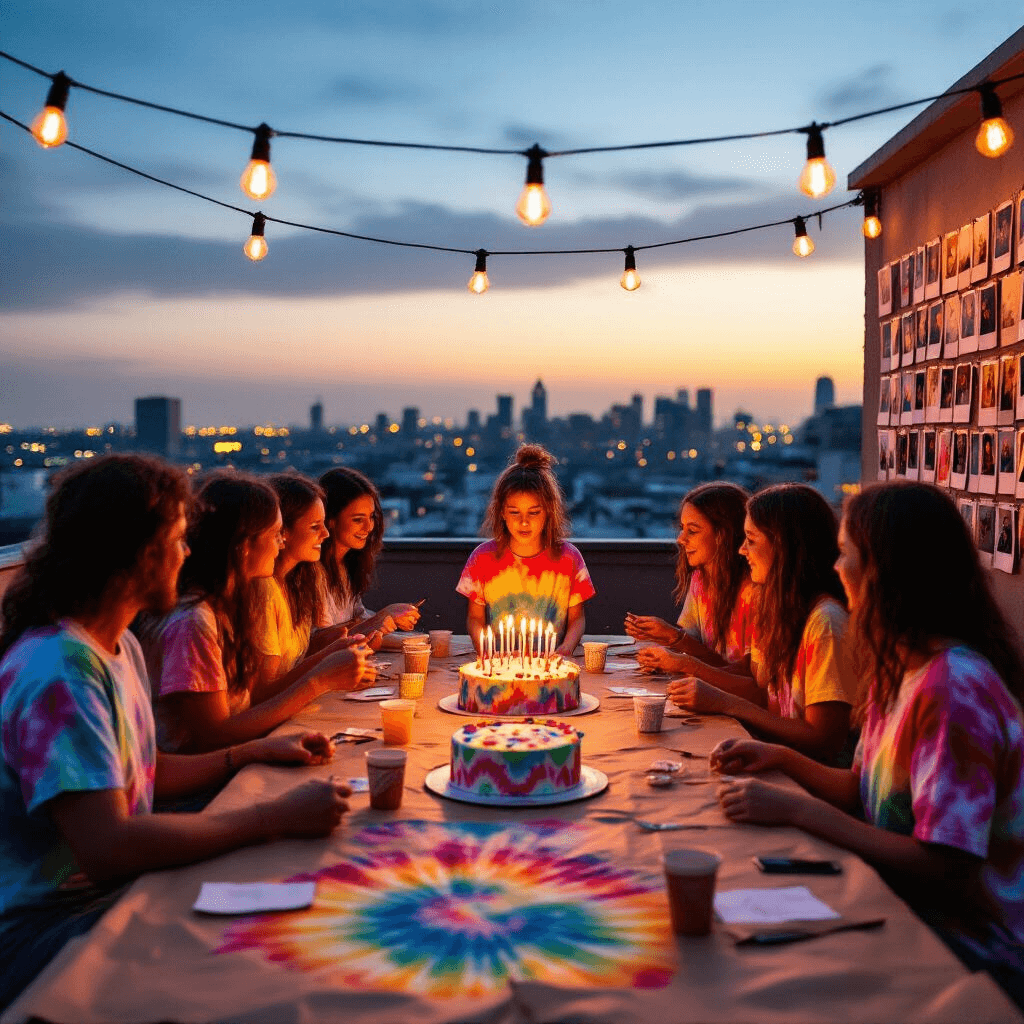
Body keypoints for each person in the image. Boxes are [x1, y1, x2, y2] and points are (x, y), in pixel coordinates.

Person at [0, 455, 351, 1012]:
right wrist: (272, 817)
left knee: (311, 898)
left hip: (113, 891)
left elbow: (148, 771)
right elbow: (109, 846)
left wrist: (252, 751)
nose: (188, 553)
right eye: (178, 539)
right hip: (48, 931)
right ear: (136, 553)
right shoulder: (60, 670)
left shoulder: (119, 646)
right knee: (268, 955)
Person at [713, 481, 1024, 1009]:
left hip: (969, 949)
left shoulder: (953, 689)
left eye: (847, 555)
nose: (837, 568)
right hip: (899, 901)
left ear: (885, 572)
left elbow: (946, 865)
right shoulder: (895, 669)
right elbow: (862, 789)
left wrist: (797, 810)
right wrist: (779, 757)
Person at [136, 471, 371, 753]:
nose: (280, 544)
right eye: (275, 534)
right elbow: (211, 737)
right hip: (208, 788)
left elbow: (244, 706)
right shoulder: (194, 622)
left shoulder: (229, 607)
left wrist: (330, 659)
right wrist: (319, 679)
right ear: (242, 546)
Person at [668, 484, 857, 762]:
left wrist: (723, 700)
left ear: (784, 546)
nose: (742, 550)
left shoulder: (825, 623)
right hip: (768, 755)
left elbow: (823, 739)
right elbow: (759, 689)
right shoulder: (777, 610)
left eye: (751, 540)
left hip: (802, 782)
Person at [624, 484, 758, 703]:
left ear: (723, 535)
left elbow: (747, 678)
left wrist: (675, 640)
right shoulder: (700, 580)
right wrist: (665, 644)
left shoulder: (753, 593)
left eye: (692, 531)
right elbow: (694, 644)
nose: (680, 539)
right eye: (681, 528)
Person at [456, 444, 594, 656]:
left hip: (550, 669)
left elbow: (577, 618)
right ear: (501, 512)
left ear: (548, 511)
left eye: (533, 513)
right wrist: (486, 650)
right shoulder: (482, 558)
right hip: (498, 669)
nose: (523, 522)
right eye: (514, 513)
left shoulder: (569, 558)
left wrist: (566, 648)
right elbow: (475, 618)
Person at [253, 473, 377, 689]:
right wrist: (325, 673)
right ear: (283, 532)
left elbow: (295, 663)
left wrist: (336, 647)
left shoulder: (297, 583)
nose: (326, 534)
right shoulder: (266, 591)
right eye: (315, 526)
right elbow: (264, 690)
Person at [318, 466, 421, 636]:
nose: (368, 527)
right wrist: (382, 617)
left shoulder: (345, 566)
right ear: (331, 520)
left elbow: (358, 619)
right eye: (358, 519)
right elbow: (321, 639)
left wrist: (393, 620)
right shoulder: (314, 572)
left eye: (371, 517)